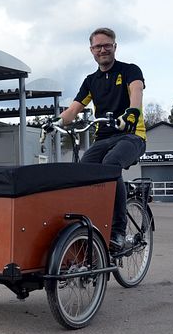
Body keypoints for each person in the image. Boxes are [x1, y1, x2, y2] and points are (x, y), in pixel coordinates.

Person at [51, 27, 146, 250]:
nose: (102, 49)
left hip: (131, 135)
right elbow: (73, 110)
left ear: (114, 46)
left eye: (107, 45)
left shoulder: (130, 70)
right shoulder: (90, 81)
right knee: (84, 173)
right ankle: (90, 227)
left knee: (110, 165)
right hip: (103, 137)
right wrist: (54, 122)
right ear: (91, 50)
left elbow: (136, 92)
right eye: (98, 46)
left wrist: (131, 113)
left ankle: (118, 231)